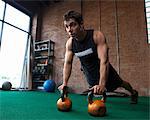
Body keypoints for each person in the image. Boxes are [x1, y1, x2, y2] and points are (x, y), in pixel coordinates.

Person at [58, 10, 138, 104]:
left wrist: (102, 84)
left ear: (81, 24)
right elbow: (68, 63)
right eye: (67, 26)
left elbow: (104, 61)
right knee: (95, 90)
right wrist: (65, 83)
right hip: (88, 71)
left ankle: (133, 92)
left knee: (120, 83)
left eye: (73, 25)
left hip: (103, 67)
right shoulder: (70, 43)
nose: (69, 30)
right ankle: (103, 97)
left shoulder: (96, 36)